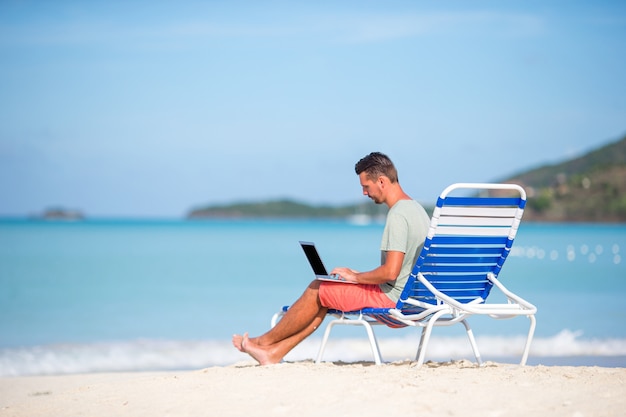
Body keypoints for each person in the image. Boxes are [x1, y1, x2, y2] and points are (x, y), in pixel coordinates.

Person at [232, 152, 431, 365]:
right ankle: (273, 353)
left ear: (381, 181)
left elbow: (390, 272)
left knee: (319, 288)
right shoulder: (417, 210)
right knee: (327, 293)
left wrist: (355, 278)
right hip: (415, 301)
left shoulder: (398, 215)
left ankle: (263, 342)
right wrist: (355, 274)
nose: (364, 193)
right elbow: (400, 270)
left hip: (393, 299)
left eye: (366, 186)